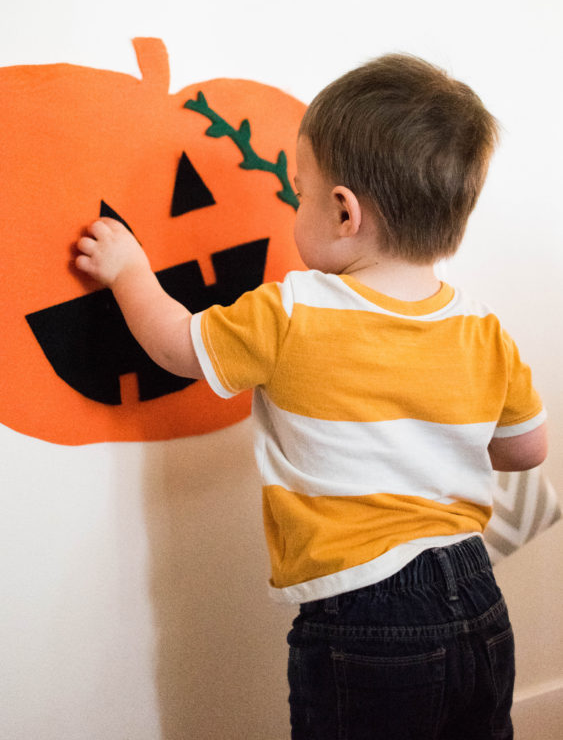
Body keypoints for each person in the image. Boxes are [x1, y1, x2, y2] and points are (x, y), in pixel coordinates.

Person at [75, 54, 547, 740]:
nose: (296, 207)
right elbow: (525, 448)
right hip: (476, 595)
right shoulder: (481, 329)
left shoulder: (292, 312)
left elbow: (177, 346)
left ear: (342, 211)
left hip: (365, 614)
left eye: (298, 192)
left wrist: (128, 271)